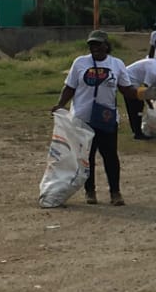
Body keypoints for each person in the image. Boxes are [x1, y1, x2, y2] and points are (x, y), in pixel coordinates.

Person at [55, 30, 143, 205]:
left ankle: (115, 192)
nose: (95, 48)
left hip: (106, 118)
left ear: (106, 45)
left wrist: (143, 93)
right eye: (91, 45)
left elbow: (126, 89)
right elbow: (70, 87)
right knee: (86, 157)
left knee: (110, 156)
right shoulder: (80, 63)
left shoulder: (117, 64)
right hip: (83, 118)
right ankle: (90, 191)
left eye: (98, 44)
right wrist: (60, 104)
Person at [122, 57, 156, 139]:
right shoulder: (153, 73)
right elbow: (145, 90)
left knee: (134, 106)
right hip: (129, 79)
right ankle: (138, 133)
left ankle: (136, 131)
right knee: (137, 105)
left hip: (129, 77)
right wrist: (150, 104)